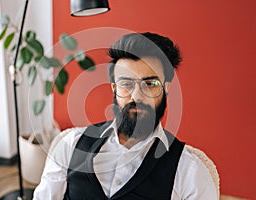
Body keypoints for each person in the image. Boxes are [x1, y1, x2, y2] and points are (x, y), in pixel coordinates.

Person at [33, 32, 218, 200]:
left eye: (150, 83)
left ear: (166, 88)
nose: (137, 96)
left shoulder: (190, 172)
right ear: (114, 88)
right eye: (126, 83)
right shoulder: (71, 144)